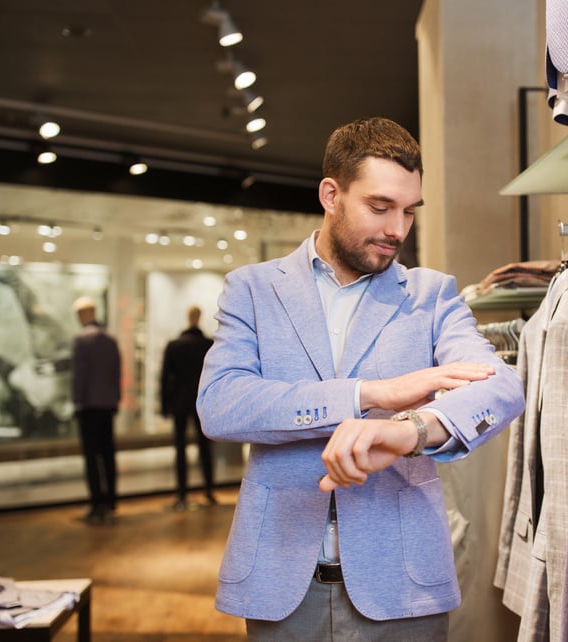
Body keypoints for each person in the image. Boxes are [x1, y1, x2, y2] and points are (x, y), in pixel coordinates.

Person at [197, 116, 525, 641]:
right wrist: (367, 395)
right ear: (331, 194)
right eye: (380, 207)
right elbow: (221, 404)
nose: (397, 228)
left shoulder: (431, 295)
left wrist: (411, 430)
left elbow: (501, 387)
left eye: (409, 211)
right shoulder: (253, 290)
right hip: (282, 580)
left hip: (404, 586)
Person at [160, 304, 217, 510]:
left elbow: (165, 378)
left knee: (181, 448)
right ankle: (209, 490)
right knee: (205, 447)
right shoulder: (207, 344)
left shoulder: (175, 345)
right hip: (202, 402)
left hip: (180, 402)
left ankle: (182, 493)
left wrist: (166, 405)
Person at [71, 296, 122, 525]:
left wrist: (77, 401)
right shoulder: (110, 339)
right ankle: (111, 500)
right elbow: (116, 373)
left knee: (92, 457)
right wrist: (115, 399)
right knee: (108, 453)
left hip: (89, 405)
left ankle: (96, 503)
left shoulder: (82, 340)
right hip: (108, 404)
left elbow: (79, 377)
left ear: (82, 314)